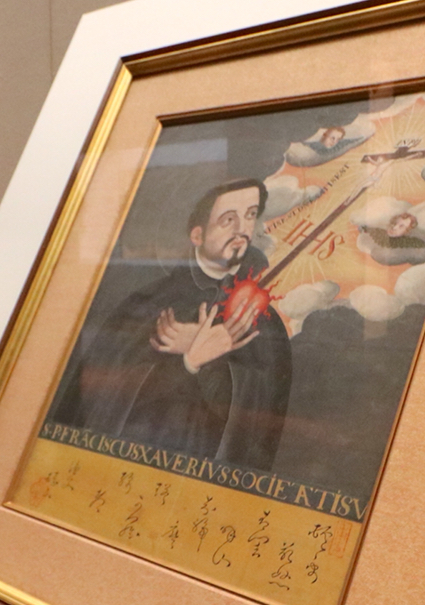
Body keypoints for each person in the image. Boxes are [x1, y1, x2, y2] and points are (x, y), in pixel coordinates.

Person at [51, 179, 292, 470]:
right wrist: (189, 361)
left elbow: (259, 420)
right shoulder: (146, 305)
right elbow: (102, 400)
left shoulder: (263, 321)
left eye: (250, 215)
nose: (242, 229)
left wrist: (212, 361)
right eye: (228, 219)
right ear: (197, 234)